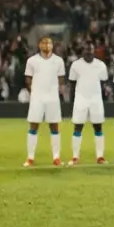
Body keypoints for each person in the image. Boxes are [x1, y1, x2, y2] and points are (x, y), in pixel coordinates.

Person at [23, 36, 65, 167]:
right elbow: (28, 79)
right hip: (37, 98)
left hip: (52, 98)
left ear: (53, 45)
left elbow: (61, 79)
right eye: (44, 43)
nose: (46, 45)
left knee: (54, 126)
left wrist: (58, 91)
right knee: (34, 126)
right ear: (39, 45)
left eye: (49, 43)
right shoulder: (32, 61)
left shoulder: (58, 61)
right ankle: (30, 158)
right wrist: (33, 93)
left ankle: (56, 157)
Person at [67, 47, 109, 164]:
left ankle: (100, 157)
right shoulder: (76, 65)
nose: (88, 53)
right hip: (81, 99)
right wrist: (71, 102)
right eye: (86, 51)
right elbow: (72, 84)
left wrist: (103, 99)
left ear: (93, 52)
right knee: (78, 127)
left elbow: (103, 83)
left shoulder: (100, 65)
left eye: (90, 51)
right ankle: (75, 157)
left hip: (96, 100)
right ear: (82, 52)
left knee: (98, 127)